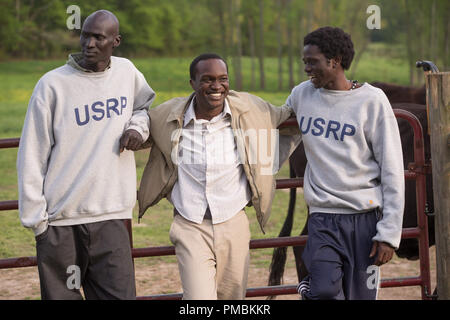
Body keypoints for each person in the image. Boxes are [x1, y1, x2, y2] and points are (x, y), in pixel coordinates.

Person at [137, 53, 300, 300]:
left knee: (232, 299)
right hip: (190, 223)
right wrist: (133, 128)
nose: (216, 86)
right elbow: (141, 119)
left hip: (233, 222)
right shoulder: (167, 115)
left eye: (223, 79)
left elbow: (289, 112)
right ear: (192, 82)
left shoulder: (250, 110)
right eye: (207, 79)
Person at [17, 10, 155, 300]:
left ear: (115, 41)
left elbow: (144, 108)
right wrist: (38, 222)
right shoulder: (52, 85)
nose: (89, 43)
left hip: (113, 219)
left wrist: (137, 129)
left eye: (98, 37)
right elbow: (31, 152)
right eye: (85, 35)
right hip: (60, 225)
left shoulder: (127, 72)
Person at [287, 27, 405, 300]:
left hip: (365, 219)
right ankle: (309, 288)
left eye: (312, 62)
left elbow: (392, 169)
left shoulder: (371, 100)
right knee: (324, 291)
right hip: (323, 218)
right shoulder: (301, 95)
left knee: (361, 297)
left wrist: (389, 233)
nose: (306, 68)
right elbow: (283, 137)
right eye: (304, 62)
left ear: (335, 60)